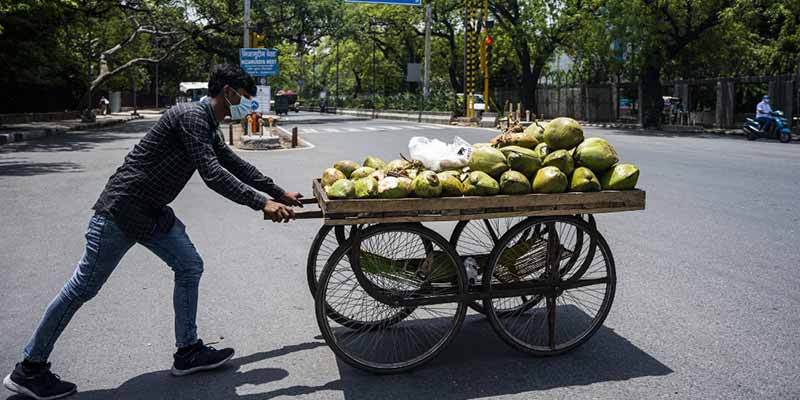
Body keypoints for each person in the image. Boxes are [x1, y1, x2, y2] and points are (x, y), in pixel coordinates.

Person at [3, 64, 302, 400]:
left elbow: (232, 163)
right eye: (246, 97)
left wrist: (277, 192)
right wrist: (261, 203)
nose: (248, 104)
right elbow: (212, 174)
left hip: (151, 214)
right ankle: (29, 368)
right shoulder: (191, 116)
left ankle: (187, 351)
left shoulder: (206, 124)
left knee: (189, 265)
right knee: (82, 288)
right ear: (229, 92)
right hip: (120, 211)